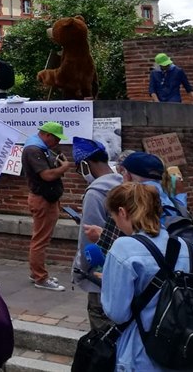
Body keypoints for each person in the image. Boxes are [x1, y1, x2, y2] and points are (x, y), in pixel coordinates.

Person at [100, 182, 193, 371]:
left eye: (114, 217)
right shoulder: (189, 248)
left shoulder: (123, 248)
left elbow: (117, 313)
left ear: (122, 212)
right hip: (189, 350)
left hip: (143, 353)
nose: (115, 223)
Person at [70, 137, 124, 333]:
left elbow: (88, 243)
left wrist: (82, 271)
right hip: (122, 268)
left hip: (100, 276)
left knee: (102, 335)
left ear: (86, 163)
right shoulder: (122, 183)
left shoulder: (95, 192)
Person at [21, 121, 71, 291]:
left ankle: (36, 272)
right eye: (56, 139)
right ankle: (41, 278)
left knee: (40, 238)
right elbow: (47, 175)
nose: (57, 143)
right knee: (40, 240)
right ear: (47, 135)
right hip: (43, 199)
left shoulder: (39, 148)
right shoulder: (34, 149)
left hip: (45, 198)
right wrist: (64, 167)